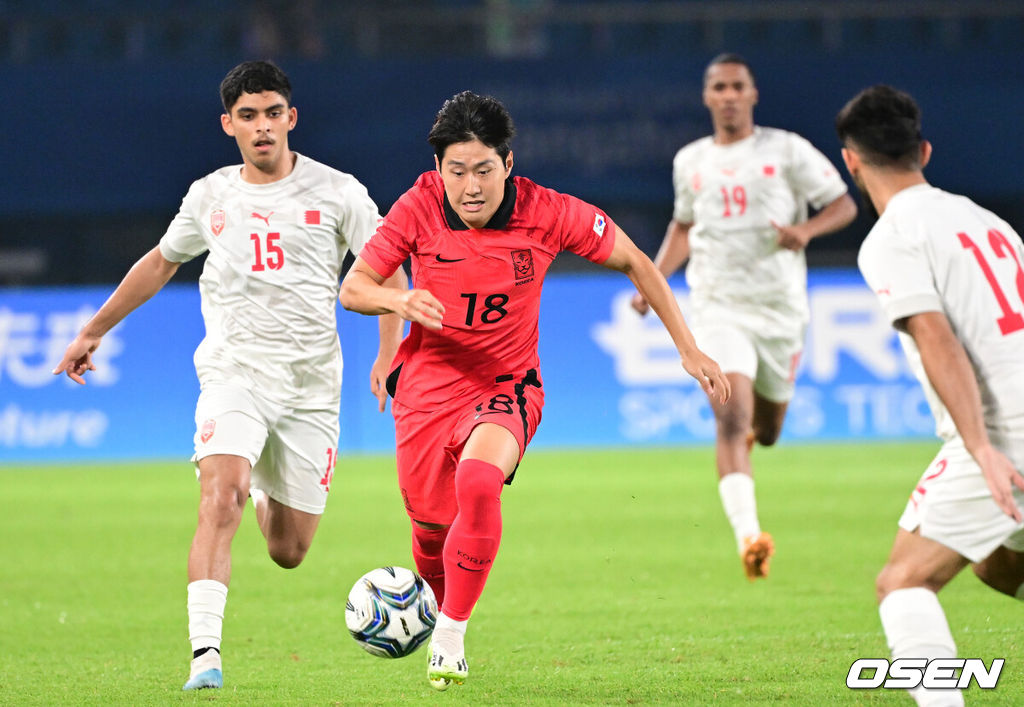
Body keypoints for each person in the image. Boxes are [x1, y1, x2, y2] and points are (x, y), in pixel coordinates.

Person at [338, 90, 730, 690]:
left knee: (478, 480)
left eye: (484, 170)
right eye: (456, 171)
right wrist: (398, 300)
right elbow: (354, 287)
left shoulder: (547, 212)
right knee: (429, 531)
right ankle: (440, 612)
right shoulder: (417, 207)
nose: (470, 186)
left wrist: (687, 346)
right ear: (438, 169)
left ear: (509, 164)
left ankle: (450, 635)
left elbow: (636, 261)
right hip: (427, 386)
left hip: (507, 383)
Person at [52, 60, 405, 691]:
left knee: (289, 551)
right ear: (229, 125)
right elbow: (161, 262)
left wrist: (388, 353)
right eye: (248, 116)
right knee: (221, 497)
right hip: (234, 372)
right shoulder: (210, 195)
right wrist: (94, 329)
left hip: (310, 387)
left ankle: (266, 484)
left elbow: (388, 274)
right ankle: (205, 657)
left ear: (291, 118)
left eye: (273, 113)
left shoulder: (338, 192)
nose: (262, 127)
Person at [631, 53, 857, 580]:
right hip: (717, 306)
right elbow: (684, 227)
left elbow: (843, 205)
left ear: (752, 94)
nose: (729, 95)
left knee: (769, 430)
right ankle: (750, 538)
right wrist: (653, 282)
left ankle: (757, 439)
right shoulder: (691, 160)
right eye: (719, 87)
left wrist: (807, 232)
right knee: (730, 419)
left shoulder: (787, 150)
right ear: (707, 97)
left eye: (738, 86)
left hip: (779, 311)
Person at [837, 84, 1024, 707]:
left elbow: (936, 337)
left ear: (850, 161)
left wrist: (981, 448)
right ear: (925, 150)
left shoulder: (893, 237)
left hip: (1005, 430)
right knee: (998, 565)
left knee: (904, 583)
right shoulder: (989, 222)